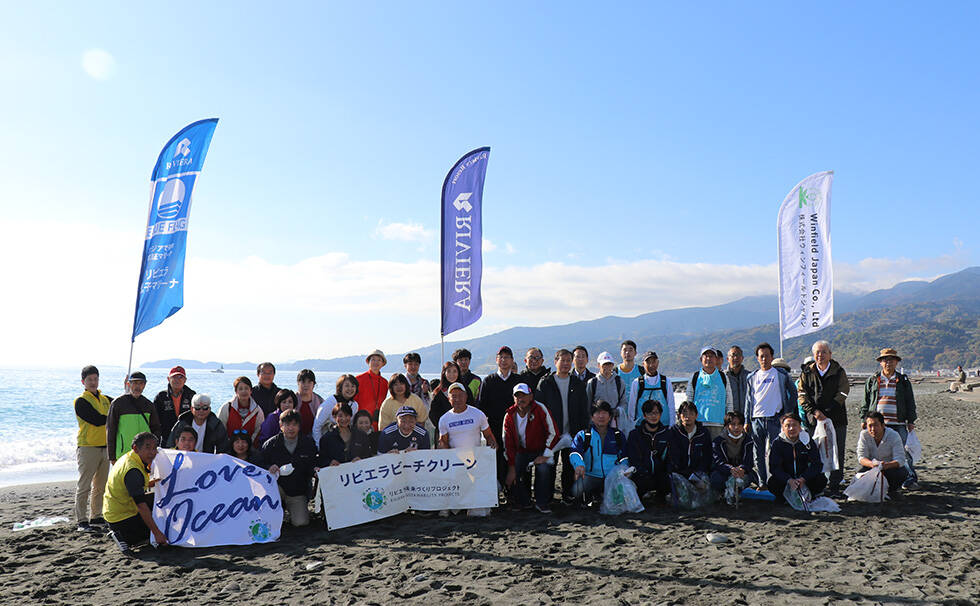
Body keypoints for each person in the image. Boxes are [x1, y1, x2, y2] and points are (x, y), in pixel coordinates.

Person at [859, 348, 919, 489]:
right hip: (877, 424)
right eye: (885, 360)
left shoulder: (903, 380)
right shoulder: (873, 380)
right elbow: (866, 401)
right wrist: (864, 419)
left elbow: (910, 401)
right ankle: (879, 475)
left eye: (891, 360)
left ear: (896, 362)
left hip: (898, 422)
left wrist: (911, 421)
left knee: (904, 450)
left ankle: (910, 477)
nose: (888, 363)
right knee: (877, 450)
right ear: (880, 363)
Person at [536, 348, 589, 504]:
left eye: (568, 361)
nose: (565, 364)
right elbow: (539, 410)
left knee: (569, 466)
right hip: (552, 434)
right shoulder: (546, 383)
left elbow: (583, 410)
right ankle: (548, 497)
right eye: (562, 360)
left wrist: (582, 432)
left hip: (572, 433)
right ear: (555, 362)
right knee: (550, 466)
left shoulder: (577, 383)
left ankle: (568, 496)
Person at [438, 382, 498, 517]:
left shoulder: (478, 414)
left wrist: (492, 445)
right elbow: (444, 442)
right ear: (449, 399)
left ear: (466, 396)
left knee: (479, 509)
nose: (457, 399)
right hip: (456, 463)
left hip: (475, 462)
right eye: (453, 396)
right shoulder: (444, 419)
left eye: (460, 395)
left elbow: (488, 435)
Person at [798, 339, 850, 493]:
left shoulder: (839, 371)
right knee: (815, 452)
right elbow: (801, 394)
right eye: (817, 352)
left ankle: (835, 484)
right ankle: (818, 484)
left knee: (837, 451)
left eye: (823, 352)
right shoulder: (806, 372)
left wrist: (827, 411)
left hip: (837, 419)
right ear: (814, 355)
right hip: (814, 420)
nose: (820, 355)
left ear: (830, 354)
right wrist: (814, 412)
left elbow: (843, 392)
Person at [103, 432, 168, 555]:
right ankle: (120, 536)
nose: (152, 452)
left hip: (115, 508)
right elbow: (141, 506)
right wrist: (157, 533)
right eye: (147, 447)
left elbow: (127, 485)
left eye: (154, 448)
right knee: (161, 529)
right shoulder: (133, 470)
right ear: (135, 448)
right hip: (121, 518)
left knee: (160, 499)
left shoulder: (129, 457)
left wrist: (149, 483)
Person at [744, 343, 797, 485]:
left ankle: (777, 482)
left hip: (775, 419)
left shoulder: (781, 375)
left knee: (776, 453)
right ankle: (762, 483)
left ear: (772, 357)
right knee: (758, 454)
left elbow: (793, 393)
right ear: (757, 358)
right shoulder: (751, 377)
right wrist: (746, 420)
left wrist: (786, 414)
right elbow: (748, 400)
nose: (764, 359)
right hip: (756, 420)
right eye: (761, 356)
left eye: (767, 356)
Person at [502, 383, 559, 513]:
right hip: (521, 452)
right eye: (517, 396)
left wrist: (545, 454)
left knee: (544, 469)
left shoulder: (540, 409)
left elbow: (554, 432)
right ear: (513, 398)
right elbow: (507, 443)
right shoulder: (509, 415)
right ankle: (523, 501)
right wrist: (511, 467)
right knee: (514, 469)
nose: (521, 399)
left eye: (524, 395)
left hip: (541, 450)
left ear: (531, 396)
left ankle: (542, 502)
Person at [258, 409, 317, 527]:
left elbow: (312, 464)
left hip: (297, 491)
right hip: (276, 490)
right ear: (281, 426)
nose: (291, 428)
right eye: (287, 424)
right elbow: (259, 465)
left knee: (301, 523)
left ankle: (291, 510)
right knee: (269, 521)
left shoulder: (307, 444)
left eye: (294, 424)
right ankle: (276, 511)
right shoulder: (270, 444)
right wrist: (269, 467)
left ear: (299, 426)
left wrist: (315, 470)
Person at [73, 365, 112, 532]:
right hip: (87, 448)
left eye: (95, 379)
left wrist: (127, 389)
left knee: (101, 486)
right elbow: (96, 419)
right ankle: (82, 520)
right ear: (83, 382)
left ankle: (96, 516)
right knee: (84, 486)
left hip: (105, 447)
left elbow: (120, 404)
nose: (93, 382)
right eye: (89, 379)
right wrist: (111, 417)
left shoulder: (105, 399)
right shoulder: (80, 401)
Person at [477, 346, 522, 489]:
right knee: (495, 460)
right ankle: (496, 492)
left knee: (514, 459)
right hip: (494, 427)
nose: (504, 360)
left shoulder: (519, 380)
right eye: (501, 357)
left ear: (512, 360)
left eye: (507, 357)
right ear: (496, 360)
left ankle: (513, 492)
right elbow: (482, 407)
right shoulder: (489, 381)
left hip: (515, 427)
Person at [569, 400, 627, 504]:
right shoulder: (584, 435)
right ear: (592, 417)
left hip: (612, 477)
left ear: (610, 417)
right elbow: (574, 452)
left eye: (604, 413)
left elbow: (625, 455)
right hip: (591, 475)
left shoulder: (618, 435)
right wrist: (579, 465)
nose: (601, 416)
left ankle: (602, 494)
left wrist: (624, 468)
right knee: (576, 490)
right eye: (597, 413)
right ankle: (591, 495)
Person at [767, 413, 827, 503]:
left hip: (804, 479)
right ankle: (784, 498)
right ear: (783, 428)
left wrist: (803, 478)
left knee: (821, 479)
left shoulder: (808, 441)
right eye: (787, 426)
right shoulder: (777, 443)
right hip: (787, 480)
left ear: (800, 427)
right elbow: (774, 467)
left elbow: (817, 464)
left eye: (794, 425)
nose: (791, 428)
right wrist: (789, 480)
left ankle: (811, 494)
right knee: (772, 482)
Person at [106, 371, 162, 464]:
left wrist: (153, 450)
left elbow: (156, 429)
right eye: (135, 383)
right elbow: (111, 430)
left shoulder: (148, 405)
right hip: (123, 454)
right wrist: (112, 456)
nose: (138, 386)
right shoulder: (118, 403)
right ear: (128, 384)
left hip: (144, 455)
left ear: (144, 385)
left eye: (141, 383)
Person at [625, 398, 671, 504]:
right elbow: (633, 458)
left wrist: (667, 472)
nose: (653, 416)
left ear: (660, 414)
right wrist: (643, 472)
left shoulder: (667, 433)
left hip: (661, 474)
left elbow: (670, 457)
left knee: (668, 482)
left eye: (656, 413)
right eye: (649, 413)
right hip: (642, 475)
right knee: (641, 483)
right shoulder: (635, 434)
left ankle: (661, 495)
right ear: (644, 415)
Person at [684, 347, 734, 440]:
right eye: (706, 356)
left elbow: (729, 399)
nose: (708, 358)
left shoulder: (723, 377)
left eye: (712, 356)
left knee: (717, 452)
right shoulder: (695, 377)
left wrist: (729, 420)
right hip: (699, 423)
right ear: (701, 359)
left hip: (718, 424)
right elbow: (689, 400)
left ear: (716, 359)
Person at [855, 411, 909, 494]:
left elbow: (900, 459)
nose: (873, 429)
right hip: (872, 467)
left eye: (876, 425)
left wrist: (886, 465)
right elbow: (861, 457)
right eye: (870, 426)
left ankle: (892, 490)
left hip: (889, 468)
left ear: (883, 425)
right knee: (859, 474)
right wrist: (872, 464)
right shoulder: (864, 435)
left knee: (902, 472)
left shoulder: (893, 435)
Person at [625, 351, 675, 435]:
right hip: (642, 426)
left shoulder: (666, 381)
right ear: (643, 364)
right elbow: (632, 407)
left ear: (658, 362)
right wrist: (631, 427)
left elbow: (671, 405)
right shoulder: (637, 382)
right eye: (648, 362)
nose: (651, 365)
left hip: (663, 426)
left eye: (654, 362)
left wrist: (672, 425)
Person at [710, 411, 758, 494]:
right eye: (733, 424)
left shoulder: (748, 440)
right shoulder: (718, 441)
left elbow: (749, 461)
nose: (737, 427)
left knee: (748, 477)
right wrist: (730, 469)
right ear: (727, 426)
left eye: (739, 424)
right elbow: (718, 462)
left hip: (741, 472)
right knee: (716, 479)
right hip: (725, 471)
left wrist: (742, 468)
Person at [165, 393, 230, 454]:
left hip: (206, 460)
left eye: (205, 408)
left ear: (209, 409)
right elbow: (170, 444)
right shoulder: (182, 422)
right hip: (184, 457)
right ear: (191, 409)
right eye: (197, 408)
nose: (201, 411)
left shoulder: (216, 424)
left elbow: (223, 448)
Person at [666, 401, 713, 479]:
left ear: (696, 415)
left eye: (691, 413)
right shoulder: (674, 432)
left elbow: (707, 456)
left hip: (698, 473)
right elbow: (672, 457)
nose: (687, 417)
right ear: (679, 415)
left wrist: (699, 472)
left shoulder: (703, 433)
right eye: (684, 414)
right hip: (678, 472)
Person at [430, 361, 472, 443]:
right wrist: (445, 427)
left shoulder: (465, 389)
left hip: (464, 431)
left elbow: (471, 408)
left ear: (458, 373)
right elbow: (433, 415)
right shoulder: (438, 392)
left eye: (454, 371)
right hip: (444, 434)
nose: (452, 374)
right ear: (444, 373)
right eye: (448, 371)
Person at [217, 376, 265, 447]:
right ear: (236, 392)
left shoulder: (257, 410)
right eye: (240, 389)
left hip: (249, 448)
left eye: (246, 388)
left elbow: (258, 431)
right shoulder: (227, 407)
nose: (244, 391)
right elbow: (220, 428)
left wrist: (246, 445)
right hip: (228, 447)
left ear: (251, 391)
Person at [151, 366, 196, 440]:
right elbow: (154, 421)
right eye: (174, 377)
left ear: (185, 380)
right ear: (168, 379)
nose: (177, 380)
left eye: (180, 377)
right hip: (166, 438)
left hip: (187, 440)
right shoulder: (161, 397)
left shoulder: (192, 395)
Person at [312, 375, 359, 443]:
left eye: (353, 386)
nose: (350, 389)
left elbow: (350, 426)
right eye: (347, 386)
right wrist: (319, 446)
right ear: (340, 387)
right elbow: (317, 427)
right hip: (327, 441)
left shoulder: (354, 405)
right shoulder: (330, 403)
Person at [586, 351, 628, 427]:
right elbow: (588, 404)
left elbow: (623, 402)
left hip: (615, 422)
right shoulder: (592, 383)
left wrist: (617, 411)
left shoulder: (619, 382)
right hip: (597, 422)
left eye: (609, 364)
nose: (607, 367)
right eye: (604, 365)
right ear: (599, 365)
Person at [355, 350, 389, 429]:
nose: (376, 362)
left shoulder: (385, 383)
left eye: (379, 360)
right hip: (360, 423)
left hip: (377, 423)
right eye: (373, 359)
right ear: (368, 362)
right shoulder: (359, 379)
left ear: (383, 364)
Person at [294, 369, 324, 438]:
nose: (306, 385)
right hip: (294, 439)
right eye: (303, 382)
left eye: (309, 382)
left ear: (313, 384)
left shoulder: (320, 401)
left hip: (314, 439)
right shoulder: (291, 399)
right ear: (298, 383)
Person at [725, 346, 749, 416]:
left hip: (746, 420)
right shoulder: (723, 377)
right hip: (729, 419)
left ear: (742, 358)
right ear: (727, 359)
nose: (735, 358)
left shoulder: (750, 377)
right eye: (733, 355)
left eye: (738, 355)